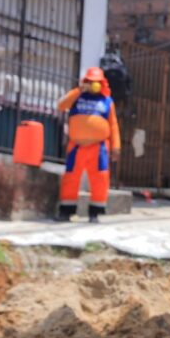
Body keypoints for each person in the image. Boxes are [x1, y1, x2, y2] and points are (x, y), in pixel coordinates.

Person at [56, 67, 120, 222]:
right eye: (90, 81)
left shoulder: (107, 101)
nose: (93, 85)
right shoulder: (77, 97)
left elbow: (113, 125)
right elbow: (61, 105)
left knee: (100, 179)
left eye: (96, 82)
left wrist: (115, 146)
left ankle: (95, 213)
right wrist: (79, 90)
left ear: (102, 83)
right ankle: (66, 211)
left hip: (99, 148)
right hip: (76, 147)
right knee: (71, 178)